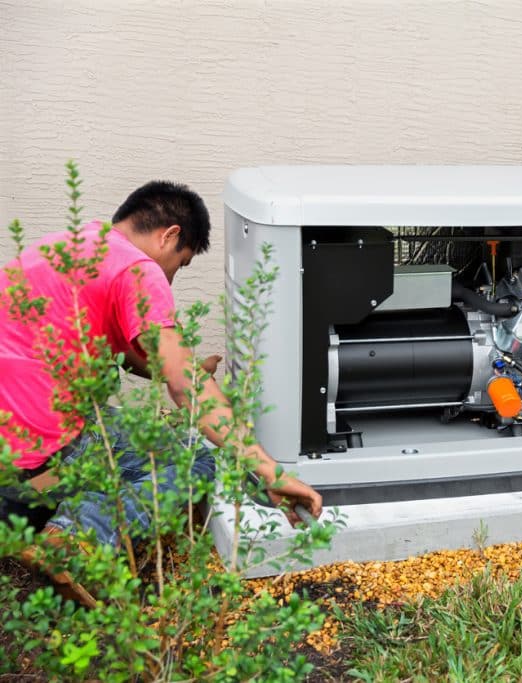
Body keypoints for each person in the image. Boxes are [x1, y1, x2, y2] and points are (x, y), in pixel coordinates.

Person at [0, 181, 323, 594]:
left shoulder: (67, 245)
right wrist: (269, 470)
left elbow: (134, 352)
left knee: (121, 422)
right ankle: (75, 539)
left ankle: (22, 509)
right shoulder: (138, 269)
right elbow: (186, 389)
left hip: (11, 444)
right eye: (180, 263)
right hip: (39, 449)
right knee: (199, 461)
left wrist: (179, 364)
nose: (170, 277)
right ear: (169, 235)